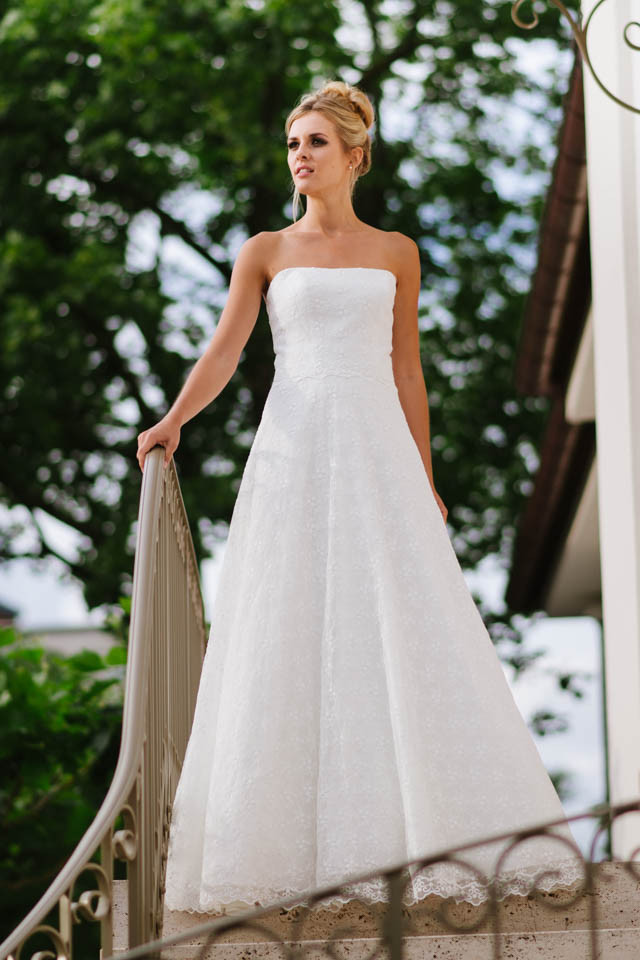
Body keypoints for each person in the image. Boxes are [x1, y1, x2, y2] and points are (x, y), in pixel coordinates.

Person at [136, 80, 583, 914]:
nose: (298, 157)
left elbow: (408, 368)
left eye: (312, 143)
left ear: (354, 156)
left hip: (377, 450)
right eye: (292, 144)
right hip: (294, 451)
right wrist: (172, 421)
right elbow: (228, 350)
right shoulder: (264, 250)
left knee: (398, 625)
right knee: (285, 625)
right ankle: (275, 850)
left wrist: (425, 472)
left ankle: (418, 838)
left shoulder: (396, 252)